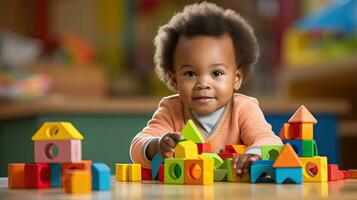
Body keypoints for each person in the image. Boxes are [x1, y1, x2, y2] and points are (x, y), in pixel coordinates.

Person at [130, 1, 282, 179]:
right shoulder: (171, 109)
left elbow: (271, 141)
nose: (203, 83)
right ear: (174, 79)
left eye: (216, 73)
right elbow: (137, 147)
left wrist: (253, 154)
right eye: (190, 73)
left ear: (236, 78)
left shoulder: (244, 108)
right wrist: (157, 144)